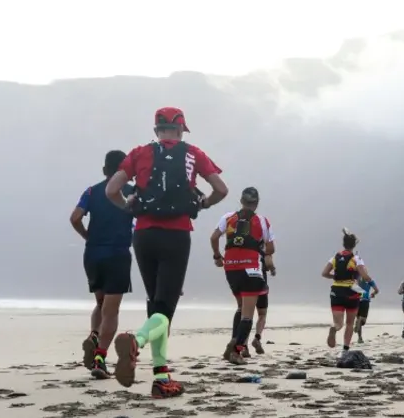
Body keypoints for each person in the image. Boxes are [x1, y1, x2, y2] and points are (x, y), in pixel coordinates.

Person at [105, 107, 229, 398]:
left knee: (156, 306)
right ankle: (136, 342)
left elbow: (111, 190)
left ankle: (161, 377)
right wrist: (204, 203)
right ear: (182, 130)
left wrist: (127, 206)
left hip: (144, 235)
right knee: (164, 310)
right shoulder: (194, 153)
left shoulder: (139, 153)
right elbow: (221, 189)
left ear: (156, 130)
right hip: (176, 235)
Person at [70, 150, 135, 379]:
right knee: (111, 311)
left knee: (100, 303)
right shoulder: (131, 192)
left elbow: (75, 218)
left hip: (93, 254)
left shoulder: (91, 191)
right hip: (117, 254)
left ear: (104, 170)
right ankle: (100, 358)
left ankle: (94, 335)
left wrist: (87, 236)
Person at [211, 187, 275, 365]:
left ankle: (234, 340)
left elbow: (214, 237)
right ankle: (237, 350)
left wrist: (217, 256)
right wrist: (260, 250)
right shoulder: (262, 220)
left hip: (231, 267)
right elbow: (270, 248)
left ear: (241, 201)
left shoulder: (228, 217)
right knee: (248, 314)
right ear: (257, 203)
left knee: (240, 307)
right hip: (251, 268)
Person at [322, 229, 373, 352]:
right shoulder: (356, 259)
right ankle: (345, 349)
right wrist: (372, 284)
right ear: (354, 245)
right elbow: (365, 276)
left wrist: (335, 276)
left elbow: (324, 273)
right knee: (349, 323)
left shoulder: (335, 257)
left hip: (336, 291)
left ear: (343, 243)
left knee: (339, 323)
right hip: (352, 291)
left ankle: (334, 328)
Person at [355, 275, 380, 343]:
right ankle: (359, 322)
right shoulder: (369, 280)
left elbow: (352, 289)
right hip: (365, 301)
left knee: (358, 319)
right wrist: (372, 294)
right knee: (362, 321)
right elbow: (377, 290)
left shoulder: (356, 279)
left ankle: (359, 338)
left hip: (356, 301)